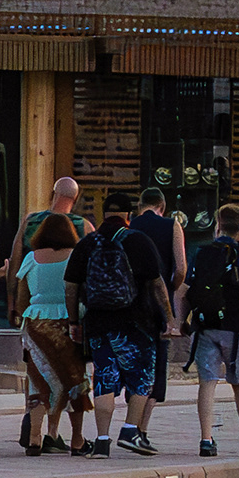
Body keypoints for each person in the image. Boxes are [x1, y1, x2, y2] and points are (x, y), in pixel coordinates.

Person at [72, 188, 170, 457]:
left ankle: (102, 440)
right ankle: (129, 430)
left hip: (98, 321)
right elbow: (157, 283)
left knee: (104, 377)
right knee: (141, 377)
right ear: (129, 215)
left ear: (104, 214)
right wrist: (169, 318)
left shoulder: (87, 243)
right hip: (136, 321)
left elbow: (72, 285)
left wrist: (74, 320)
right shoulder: (139, 241)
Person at [184, 203, 239, 458]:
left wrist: (180, 321)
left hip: (205, 326)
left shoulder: (201, 252)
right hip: (234, 328)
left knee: (207, 382)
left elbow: (185, 289)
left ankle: (206, 439)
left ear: (218, 223)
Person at [11, 212, 83, 455]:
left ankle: (35, 437)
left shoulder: (31, 258)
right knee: (74, 378)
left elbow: (22, 299)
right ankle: (76, 439)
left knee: (38, 379)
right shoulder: (76, 257)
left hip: (36, 322)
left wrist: (22, 314)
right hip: (68, 322)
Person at [125, 185, 185, 444]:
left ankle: (130, 420)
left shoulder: (129, 226)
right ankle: (142, 429)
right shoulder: (172, 225)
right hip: (159, 304)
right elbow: (180, 267)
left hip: (130, 301)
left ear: (140, 205)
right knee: (156, 365)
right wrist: (171, 289)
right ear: (162, 206)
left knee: (133, 360)